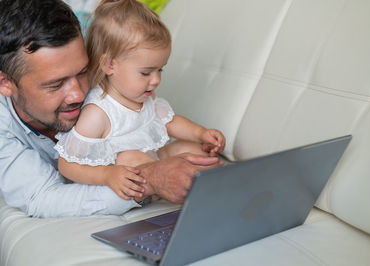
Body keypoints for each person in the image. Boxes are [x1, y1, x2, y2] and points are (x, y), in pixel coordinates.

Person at [0, 0, 220, 218]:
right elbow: (43, 197)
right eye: (55, 84)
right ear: (5, 83)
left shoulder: (110, 74)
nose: (78, 94)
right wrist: (148, 181)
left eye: (83, 72)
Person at [54, 0, 226, 201]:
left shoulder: (144, 96)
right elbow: (66, 165)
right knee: (128, 157)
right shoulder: (98, 113)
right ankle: (175, 187)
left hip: (155, 158)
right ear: (109, 64)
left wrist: (201, 134)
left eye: (160, 69)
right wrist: (107, 175)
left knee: (196, 152)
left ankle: (202, 186)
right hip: (125, 177)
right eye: (146, 72)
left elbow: (171, 122)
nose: (156, 80)